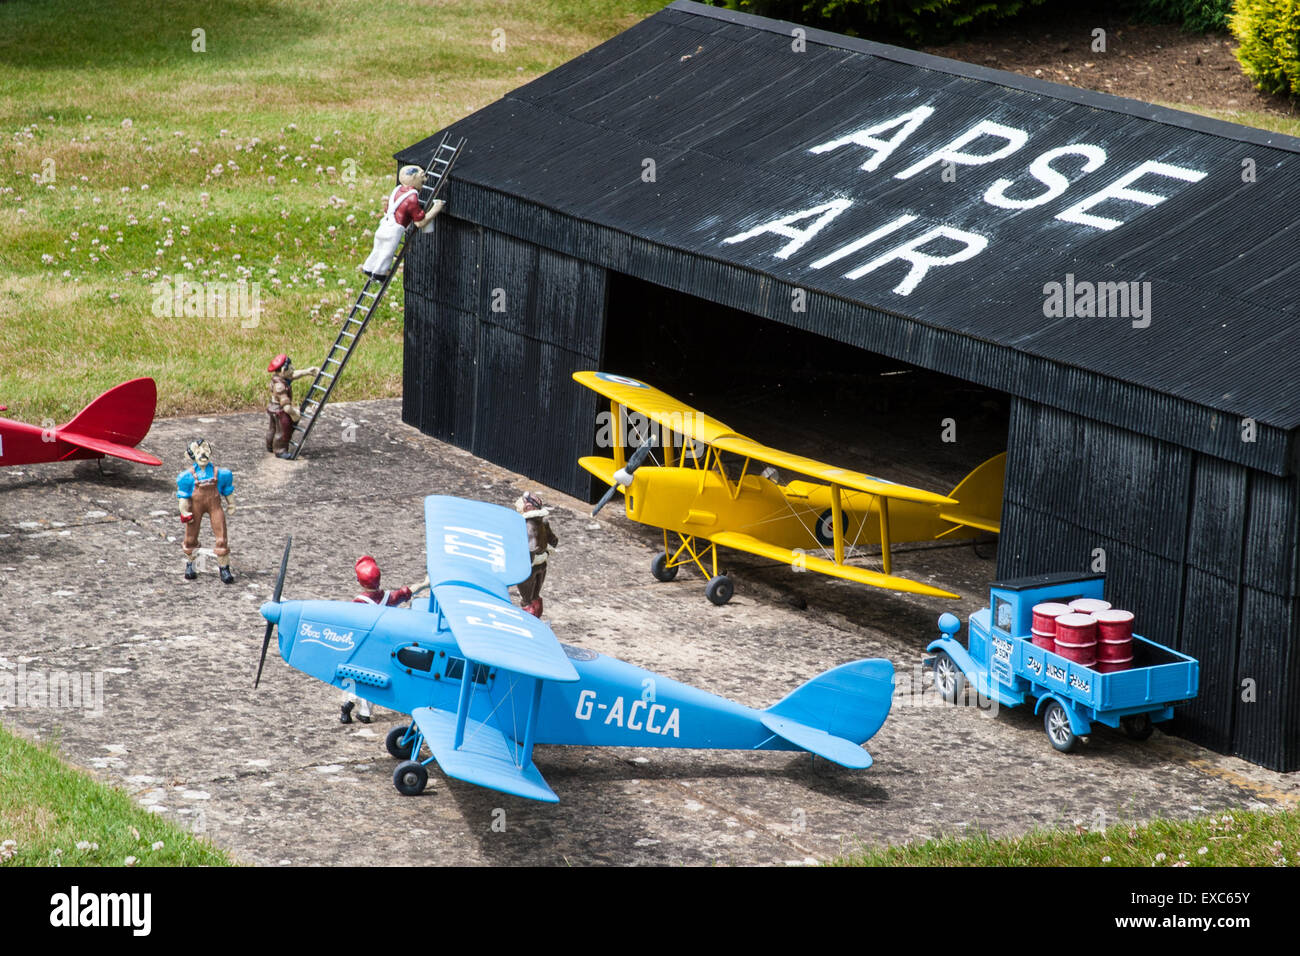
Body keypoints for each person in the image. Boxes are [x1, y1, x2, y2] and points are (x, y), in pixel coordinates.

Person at [340, 555, 430, 724]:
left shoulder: (358, 603)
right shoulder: (389, 598)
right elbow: (407, 592)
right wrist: (425, 583)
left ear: (360, 581)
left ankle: (348, 704)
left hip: (362, 647)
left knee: (354, 675)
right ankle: (364, 712)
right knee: (373, 680)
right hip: (380, 648)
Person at [361, 164, 445, 279]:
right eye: (422, 178)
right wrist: (436, 209)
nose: (424, 180)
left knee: (378, 249)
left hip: (384, 224)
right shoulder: (412, 197)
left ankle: (369, 267)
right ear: (414, 179)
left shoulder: (397, 190)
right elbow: (420, 222)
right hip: (394, 229)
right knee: (387, 253)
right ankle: (380, 273)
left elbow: (387, 209)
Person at [176, 438, 235, 584]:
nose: (203, 454)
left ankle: (224, 567)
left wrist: (231, 503)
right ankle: (193, 565)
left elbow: (227, 490)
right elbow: (183, 497)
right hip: (195, 508)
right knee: (190, 538)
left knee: (221, 537)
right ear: (191, 455)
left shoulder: (220, 474)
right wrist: (184, 511)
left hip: (215, 506)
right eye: (198, 451)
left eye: (206, 450)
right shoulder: (187, 477)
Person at [266, 353, 319, 458]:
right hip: (280, 410)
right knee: (284, 430)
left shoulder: (278, 378)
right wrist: (294, 414)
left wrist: (307, 372)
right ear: (283, 371)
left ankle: (270, 445)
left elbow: (294, 374)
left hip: (273, 408)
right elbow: (286, 406)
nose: (293, 369)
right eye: (290, 368)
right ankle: (280, 450)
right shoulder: (280, 387)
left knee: (273, 428)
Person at [515, 492, 558, 618]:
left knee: (526, 599)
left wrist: (524, 565)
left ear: (527, 507)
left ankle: (528, 623)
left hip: (531, 565)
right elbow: (554, 540)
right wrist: (545, 551)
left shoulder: (527, 525)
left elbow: (531, 547)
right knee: (535, 595)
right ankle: (536, 618)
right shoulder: (543, 523)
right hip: (542, 562)